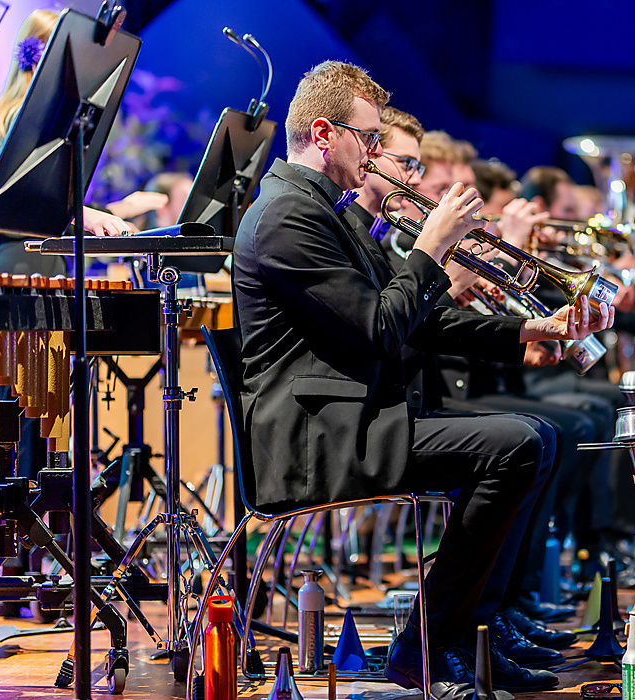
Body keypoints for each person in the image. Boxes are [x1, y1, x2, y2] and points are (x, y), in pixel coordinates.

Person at [233, 61, 613, 697]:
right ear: (325, 134)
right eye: (370, 138)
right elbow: (381, 327)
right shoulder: (285, 217)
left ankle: (464, 636)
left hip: (359, 420)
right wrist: (431, 249)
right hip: (317, 441)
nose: (378, 153)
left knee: (536, 437)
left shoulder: (325, 211)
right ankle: (427, 647)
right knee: (519, 444)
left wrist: (530, 334)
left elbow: (421, 326)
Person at [0, 8, 139, 275]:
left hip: (32, 258)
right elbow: (32, 204)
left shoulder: (9, 115)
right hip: (20, 262)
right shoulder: (25, 118)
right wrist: (111, 212)